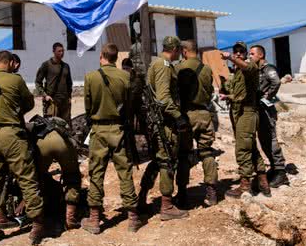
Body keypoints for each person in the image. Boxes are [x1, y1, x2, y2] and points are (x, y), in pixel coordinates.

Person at [0, 51, 45, 245]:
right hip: (12, 135)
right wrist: (13, 112)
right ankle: (37, 227)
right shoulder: (15, 80)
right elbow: (29, 103)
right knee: (26, 178)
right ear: (8, 63)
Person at [81, 43, 143, 234]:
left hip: (99, 130)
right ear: (116, 58)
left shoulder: (90, 77)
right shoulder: (125, 76)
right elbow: (130, 103)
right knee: (124, 172)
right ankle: (133, 217)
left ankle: (94, 219)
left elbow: (88, 106)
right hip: (118, 129)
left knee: (96, 173)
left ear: (102, 56)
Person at [138, 36, 190, 221]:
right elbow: (164, 98)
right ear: (175, 49)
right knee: (167, 161)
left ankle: (141, 198)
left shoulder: (158, 63)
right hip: (165, 123)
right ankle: (166, 206)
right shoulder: (164, 66)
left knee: (157, 161)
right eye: (179, 50)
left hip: (160, 122)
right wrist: (179, 117)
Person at [221, 42, 270, 198]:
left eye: (243, 52)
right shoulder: (238, 72)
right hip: (239, 111)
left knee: (242, 149)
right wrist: (227, 94)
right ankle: (263, 182)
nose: (239, 54)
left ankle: (245, 186)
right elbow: (238, 93)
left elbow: (247, 67)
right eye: (235, 51)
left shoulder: (251, 67)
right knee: (250, 148)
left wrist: (230, 58)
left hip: (247, 113)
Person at [176, 40, 219, 206]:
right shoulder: (206, 69)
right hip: (204, 113)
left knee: (184, 154)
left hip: (186, 115)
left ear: (185, 51)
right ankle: (212, 192)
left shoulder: (179, 68)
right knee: (207, 152)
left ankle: (182, 194)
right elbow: (209, 92)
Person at [249, 45, 289, 188]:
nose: (249, 56)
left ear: (260, 55)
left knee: (271, 140)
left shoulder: (268, 68)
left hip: (267, 110)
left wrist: (267, 96)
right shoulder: (256, 70)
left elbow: (276, 82)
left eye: (252, 53)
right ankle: (274, 167)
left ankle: (280, 172)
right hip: (259, 110)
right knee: (264, 140)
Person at [35, 43, 73, 124]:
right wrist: (45, 95)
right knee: (51, 125)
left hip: (64, 102)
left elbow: (69, 83)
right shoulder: (46, 65)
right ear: (53, 51)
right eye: (59, 51)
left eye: (63, 51)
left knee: (66, 125)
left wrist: (69, 97)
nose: (61, 53)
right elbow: (38, 82)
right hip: (52, 101)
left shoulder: (66, 66)